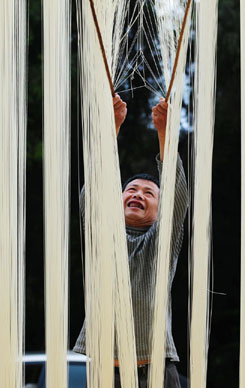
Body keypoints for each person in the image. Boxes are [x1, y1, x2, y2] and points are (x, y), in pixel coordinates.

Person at [73, 94, 189, 388]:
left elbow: (177, 196)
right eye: (131, 190)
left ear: (160, 210)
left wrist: (165, 133)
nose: (138, 194)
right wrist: (110, 128)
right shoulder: (102, 236)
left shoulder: (162, 243)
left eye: (149, 193)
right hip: (100, 370)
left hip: (156, 372)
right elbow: (95, 190)